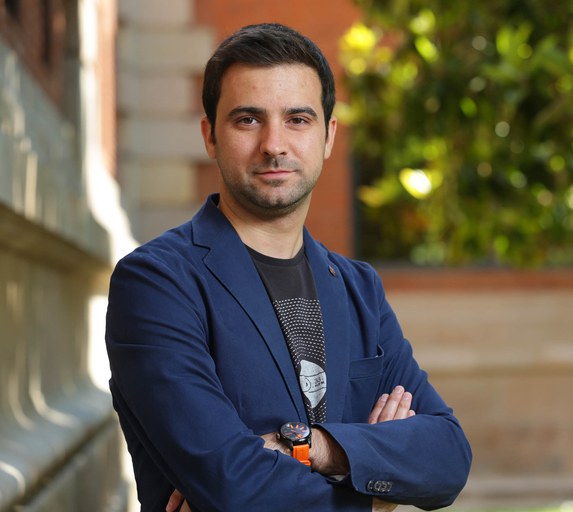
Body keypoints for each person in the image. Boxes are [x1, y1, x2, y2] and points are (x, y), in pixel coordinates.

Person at [106, 22, 472, 511]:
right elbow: (231, 486)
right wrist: (376, 497)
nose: (274, 144)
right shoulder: (157, 284)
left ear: (329, 136)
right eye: (248, 120)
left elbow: (448, 457)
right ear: (210, 137)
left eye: (298, 119)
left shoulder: (358, 288)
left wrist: (316, 447)